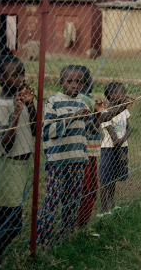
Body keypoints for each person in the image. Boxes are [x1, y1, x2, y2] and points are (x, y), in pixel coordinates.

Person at [36, 65, 92, 247]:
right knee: (52, 200)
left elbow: (92, 129)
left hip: (77, 160)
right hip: (58, 162)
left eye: (79, 82)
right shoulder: (54, 101)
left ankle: (64, 237)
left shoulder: (83, 104)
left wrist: (98, 113)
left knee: (72, 200)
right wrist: (73, 117)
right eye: (70, 81)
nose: (75, 85)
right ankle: (42, 241)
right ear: (61, 83)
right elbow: (48, 130)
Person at [0, 54, 36, 266]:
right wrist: (16, 113)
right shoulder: (1, 105)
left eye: (22, 73)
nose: (21, 78)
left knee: (2, 218)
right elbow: (5, 145)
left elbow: (35, 130)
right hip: (9, 166)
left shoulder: (18, 98)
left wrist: (30, 104)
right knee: (13, 223)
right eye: (15, 75)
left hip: (21, 166)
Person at [98, 82, 133, 216]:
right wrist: (121, 154)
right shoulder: (106, 112)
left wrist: (123, 140)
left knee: (113, 178)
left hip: (122, 146)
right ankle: (103, 207)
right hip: (109, 149)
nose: (125, 95)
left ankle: (111, 203)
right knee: (105, 179)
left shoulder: (124, 109)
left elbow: (129, 128)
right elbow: (112, 135)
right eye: (122, 93)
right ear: (112, 95)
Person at [76, 67, 104, 227]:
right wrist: (99, 112)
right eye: (90, 79)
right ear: (86, 82)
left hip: (85, 151)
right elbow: (92, 126)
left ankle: (80, 218)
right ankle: (81, 220)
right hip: (87, 152)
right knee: (87, 186)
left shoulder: (86, 99)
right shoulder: (85, 101)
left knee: (87, 185)